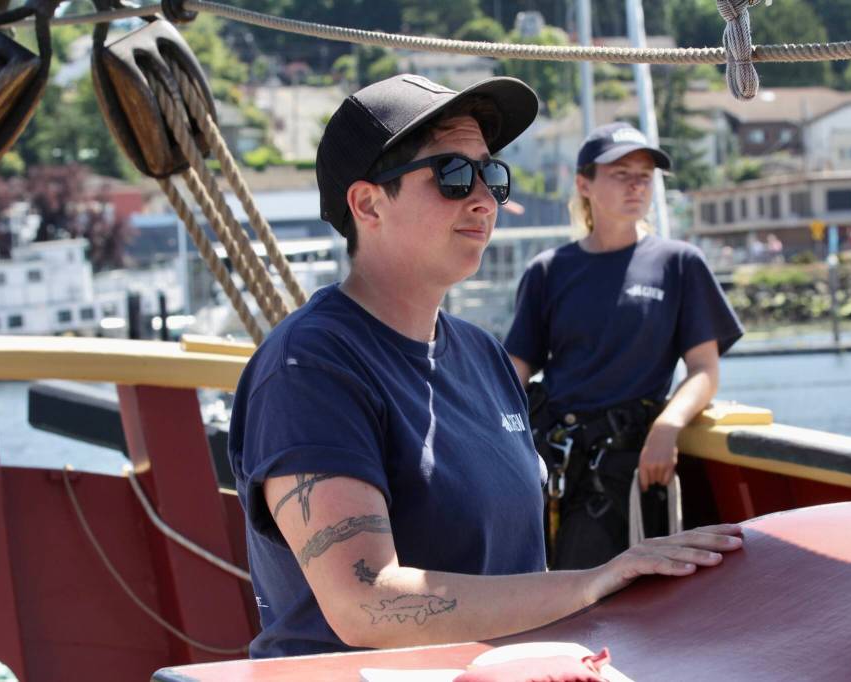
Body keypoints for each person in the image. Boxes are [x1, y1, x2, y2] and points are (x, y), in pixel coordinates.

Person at [228, 77, 743, 659]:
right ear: (368, 203)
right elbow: (364, 603)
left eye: (491, 175)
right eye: (452, 175)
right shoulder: (310, 367)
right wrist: (593, 581)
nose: (483, 198)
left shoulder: (482, 355)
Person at [505, 122, 745, 570]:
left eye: (645, 174)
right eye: (621, 173)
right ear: (584, 184)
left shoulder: (679, 264)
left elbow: (704, 370)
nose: (637, 184)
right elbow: (513, 374)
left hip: (629, 467)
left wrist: (668, 425)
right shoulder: (549, 271)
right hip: (554, 463)